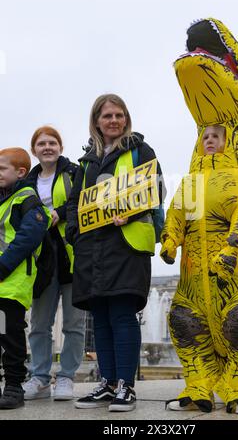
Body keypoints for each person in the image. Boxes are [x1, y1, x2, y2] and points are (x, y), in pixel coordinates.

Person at [160, 18, 238, 415]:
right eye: (206, 136)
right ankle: (198, 386)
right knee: (182, 320)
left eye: (215, 136)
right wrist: (169, 238)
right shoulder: (195, 178)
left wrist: (231, 248)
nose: (209, 139)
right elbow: (181, 212)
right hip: (198, 289)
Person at [66, 93, 165, 412]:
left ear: (126, 119)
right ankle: (108, 383)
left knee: (122, 314)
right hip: (91, 248)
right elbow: (74, 203)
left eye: (119, 115)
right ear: (96, 121)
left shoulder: (141, 150)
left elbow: (156, 189)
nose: (114, 121)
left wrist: (132, 212)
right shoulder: (86, 160)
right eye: (107, 116)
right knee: (101, 316)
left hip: (126, 244)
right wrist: (74, 234)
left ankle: (126, 385)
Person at [23, 126, 86, 401]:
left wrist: (59, 213)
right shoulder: (26, 182)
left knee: (73, 323)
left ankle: (66, 377)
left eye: (52, 143)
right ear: (34, 150)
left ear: (60, 147)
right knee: (39, 324)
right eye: (41, 144)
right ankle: (39, 377)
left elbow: (84, 202)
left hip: (71, 257)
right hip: (42, 261)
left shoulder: (74, 172)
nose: (47, 147)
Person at [0, 148, 49, 409]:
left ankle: (14, 388)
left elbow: (29, 236)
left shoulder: (26, 198)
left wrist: (3, 267)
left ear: (20, 172)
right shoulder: (3, 200)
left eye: (1, 169)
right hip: (2, 283)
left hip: (11, 282)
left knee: (10, 337)